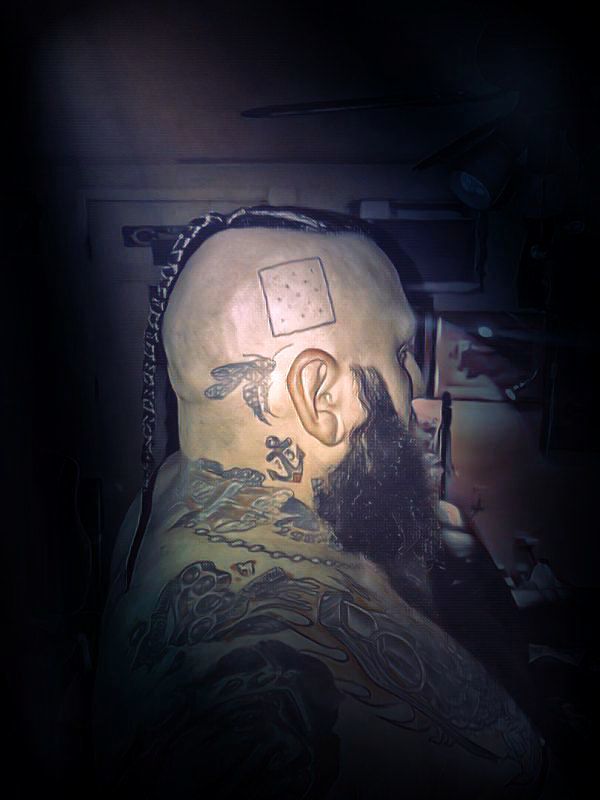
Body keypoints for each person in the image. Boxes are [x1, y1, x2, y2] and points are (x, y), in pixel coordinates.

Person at [93, 211, 546, 798]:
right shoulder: (273, 711)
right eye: (401, 353)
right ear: (319, 396)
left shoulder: (171, 489)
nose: (416, 382)